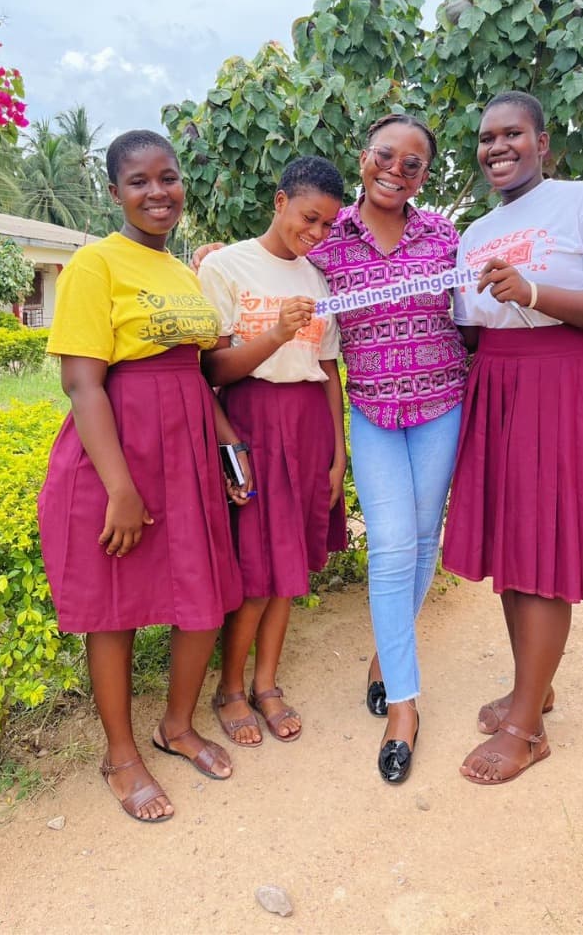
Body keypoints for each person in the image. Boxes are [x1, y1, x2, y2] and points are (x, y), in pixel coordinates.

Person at [197, 114, 468, 782]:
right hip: (373, 414)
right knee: (390, 544)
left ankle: (386, 659)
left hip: (440, 407)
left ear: (425, 175)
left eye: (413, 164)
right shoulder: (331, 242)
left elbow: (471, 312)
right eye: (386, 156)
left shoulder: (442, 235)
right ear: (364, 157)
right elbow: (266, 262)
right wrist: (204, 259)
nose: (396, 171)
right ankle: (404, 708)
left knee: (424, 541)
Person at [441, 91, 583, 785]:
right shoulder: (473, 233)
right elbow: (471, 328)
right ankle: (532, 688)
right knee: (514, 545)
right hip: (502, 390)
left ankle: (525, 728)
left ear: (543, 143)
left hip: (570, 388)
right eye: (485, 137)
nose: (497, 147)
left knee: (546, 550)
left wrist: (535, 293)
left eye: (512, 134)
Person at [38, 130, 252, 824]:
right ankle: (121, 754)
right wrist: (122, 489)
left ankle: (178, 725)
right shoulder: (95, 264)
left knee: (204, 593)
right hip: (119, 454)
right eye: (139, 181)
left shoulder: (186, 274)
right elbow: (82, 383)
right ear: (114, 192)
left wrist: (228, 445)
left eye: (169, 177)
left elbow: (193, 376)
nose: (158, 192)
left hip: (187, 451)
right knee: (116, 606)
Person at [197, 156, 347, 747]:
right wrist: (276, 333)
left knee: (288, 572)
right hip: (252, 419)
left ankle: (266, 683)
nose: (315, 232)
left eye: (328, 225)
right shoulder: (226, 266)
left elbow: (328, 369)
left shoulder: (318, 280)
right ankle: (229, 689)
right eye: (308, 217)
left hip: (308, 426)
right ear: (280, 201)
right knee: (257, 570)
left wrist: (337, 456)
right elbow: (210, 366)